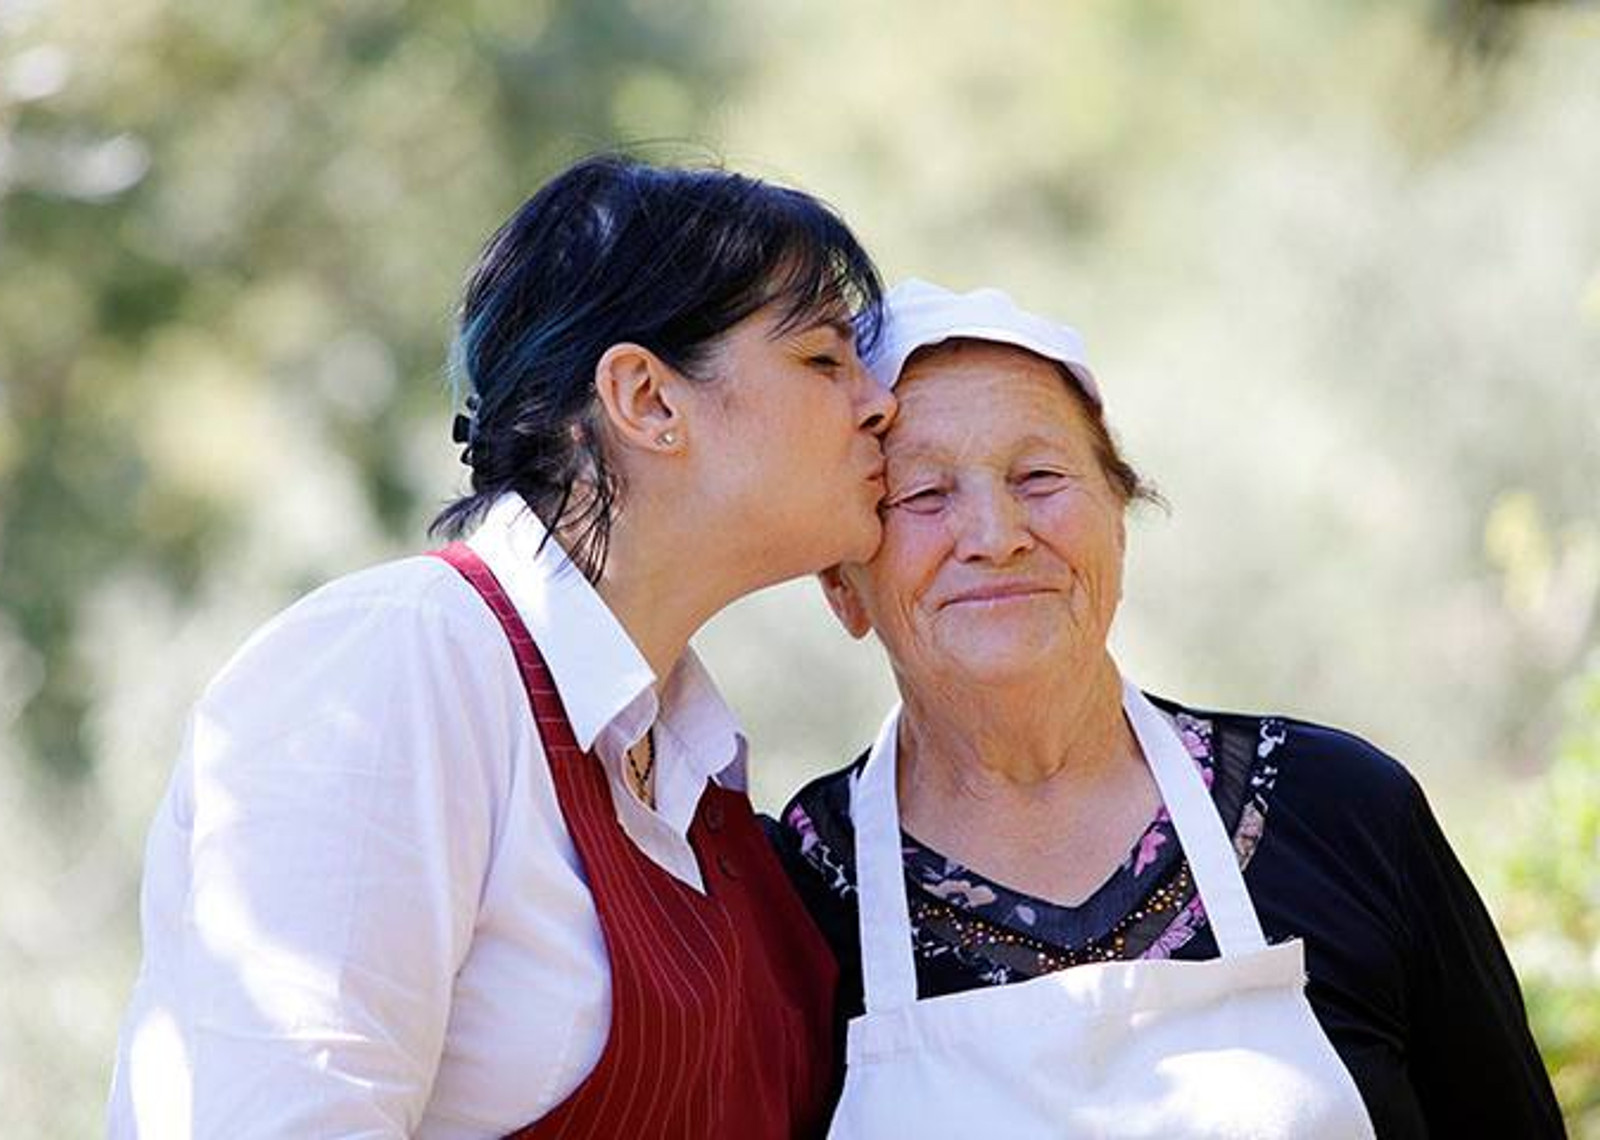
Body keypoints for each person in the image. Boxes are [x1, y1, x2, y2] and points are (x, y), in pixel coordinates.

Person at [107, 154, 897, 1139]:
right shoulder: (392, 672)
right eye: (825, 360)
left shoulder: (700, 776)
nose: (878, 403)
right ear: (647, 399)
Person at [771, 279, 1564, 1138]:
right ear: (842, 587)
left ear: (1120, 519)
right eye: (923, 496)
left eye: (1039, 477)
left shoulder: (1341, 811)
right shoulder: (792, 897)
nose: (996, 535)